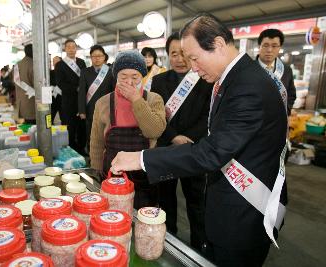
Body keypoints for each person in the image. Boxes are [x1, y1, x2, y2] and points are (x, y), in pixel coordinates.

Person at [111, 13, 288, 267]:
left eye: (194, 58)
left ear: (216, 44)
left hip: (243, 213)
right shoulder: (236, 79)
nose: (192, 67)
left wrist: (140, 158)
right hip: (229, 205)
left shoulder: (247, 86)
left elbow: (212, 152)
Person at [151, 31, 212, 251]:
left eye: (183, 53)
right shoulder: (158, 81)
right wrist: (173, 136)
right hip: (167, 148)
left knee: (196, 202)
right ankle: (169, 242)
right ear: (167, 56)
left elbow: (209, 116)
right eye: (173, 53)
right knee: (166, 200)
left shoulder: (206, 80)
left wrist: (189, 138)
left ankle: (200, 248)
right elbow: (156, 115)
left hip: (195, 149)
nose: (179, 59)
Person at [90, 50, 166, 208]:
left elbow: (154, 131)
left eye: (135, 77)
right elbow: (96, 140)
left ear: (142, 77)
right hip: (112, 174)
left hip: (144, 174)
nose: (129, 82)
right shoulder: (103, 102)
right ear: (116, 76)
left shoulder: (154, 99)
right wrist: (96, 169)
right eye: (123, 77)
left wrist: (136, 100)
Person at [78, 45, 115, 152]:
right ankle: (92, 156)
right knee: (91, 134)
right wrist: (82, 111)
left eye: (100, 56)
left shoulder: (110, 71)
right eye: (94, 56)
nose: (97, 58)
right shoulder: (85, 72)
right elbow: (81, 93)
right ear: (90, 58)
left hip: (107, 109)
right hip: (90, 110)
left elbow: (114, 91)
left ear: (104, 57)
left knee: (107, 133)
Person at [54, 39, 87, 154]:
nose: (71, 49)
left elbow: (85, 79)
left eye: (73, 47)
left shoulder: (82, 63)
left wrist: (82, 89)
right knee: (70, 126)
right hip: (68, 101)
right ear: (65, 49)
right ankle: (71, 149)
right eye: (69, 47)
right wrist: (75, 88)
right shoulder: (60, 65)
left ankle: (81, 148)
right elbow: (60, 83)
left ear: (76, 48)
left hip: (82, 100)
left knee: (82, 126)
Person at [257, 29, 296, 115]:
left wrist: (286, 111)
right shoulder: (247, 68)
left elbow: (291, 94)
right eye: (265, 45)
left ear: (280, 48)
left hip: (278, 121)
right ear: (259, 46)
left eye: (274, 46)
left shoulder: (287, 70)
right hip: (253, 121)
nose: (269, 50)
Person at [14, 44, 36, 124]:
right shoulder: (34, 64)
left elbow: (15, 82)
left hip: (21, 101)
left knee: (27, 125)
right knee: (34, 128)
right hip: (33, 102)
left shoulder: (17, 64)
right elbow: (37, 85)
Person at [50, 56, 62, 122]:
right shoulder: (50, 73)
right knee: (50, 120)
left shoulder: (65, 72)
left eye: (57, 62)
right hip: (52, 100)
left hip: (62, 100)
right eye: (53, 61)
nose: (55, 63)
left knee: (64, 120)